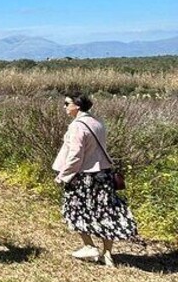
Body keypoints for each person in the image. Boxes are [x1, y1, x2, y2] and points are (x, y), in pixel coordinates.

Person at [52, 92, 137, 267]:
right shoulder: (98, 123)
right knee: (105, 211)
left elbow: (75, 156)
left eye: (66, 103)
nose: (64, 106)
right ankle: (107, 254)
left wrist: (63, 176)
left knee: (75, 209)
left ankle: (89, 246)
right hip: (104, 174)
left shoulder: (77, 126)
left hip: (84, 176)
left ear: (77, 105)